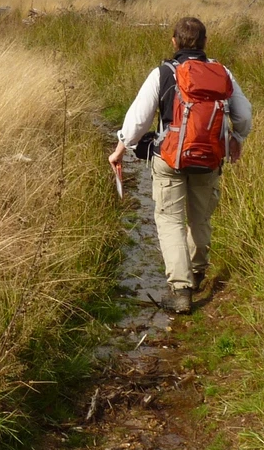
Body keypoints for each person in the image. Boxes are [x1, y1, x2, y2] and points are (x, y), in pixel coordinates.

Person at [108, 17, 252, 315]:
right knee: (200, 217)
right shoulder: (221, 72)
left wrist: (120, 149)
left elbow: (138, 120)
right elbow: (245, 114)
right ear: (204, 42)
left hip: (170, 158)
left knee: (170, 221)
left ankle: (181, 290)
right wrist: (237, 137)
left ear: (174, 42)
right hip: (209, 158)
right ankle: (198, 272)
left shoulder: (163, 73)